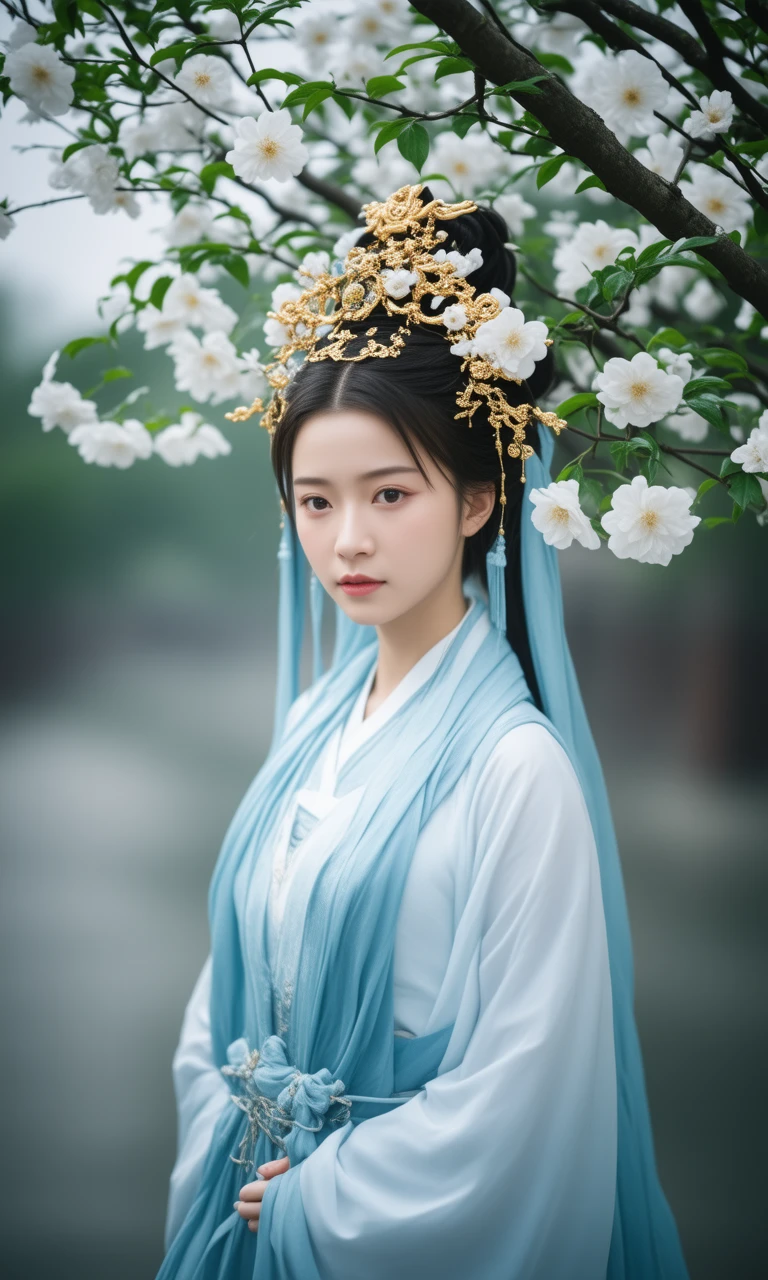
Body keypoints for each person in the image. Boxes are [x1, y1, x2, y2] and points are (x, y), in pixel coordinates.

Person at [158, 185, 689, 1279]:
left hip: (349, 1224)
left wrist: (323, 1194)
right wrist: (236, 1131)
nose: (347, 538)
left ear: (479, 500)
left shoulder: (515, 769)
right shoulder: (315, 721)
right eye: (315, 500)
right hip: (249, 1211)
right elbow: (223, 1003)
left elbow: (528, 1098)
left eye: (390, 494)